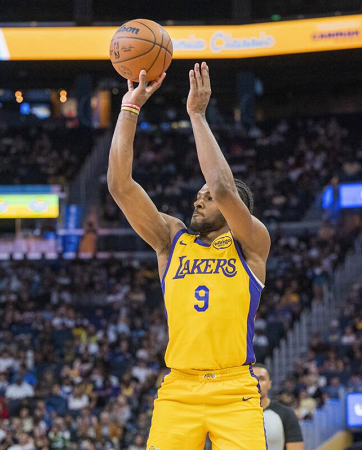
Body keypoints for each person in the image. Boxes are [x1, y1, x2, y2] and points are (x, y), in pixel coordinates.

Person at [108, 62, 271, 449]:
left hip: (235, 390)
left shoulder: (250, 243)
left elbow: (223, 186)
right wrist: (128, 111)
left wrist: (196, 114)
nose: (201, 196)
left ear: (235, 213)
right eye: (198, 194)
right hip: (179, 388)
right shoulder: (171, 239)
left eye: (208, 198)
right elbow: (119, 185)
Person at [253, 364, 304, 450]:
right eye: (252, 378)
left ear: (269, 384)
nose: (256, 382)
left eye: (261, 379)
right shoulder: (236, 414)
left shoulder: (286, 413)